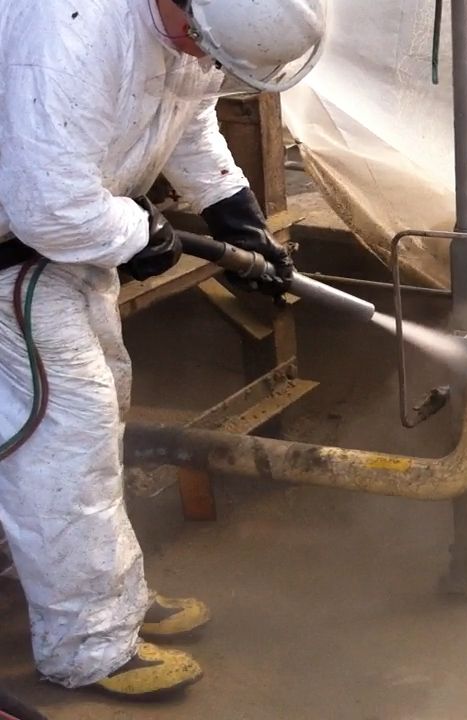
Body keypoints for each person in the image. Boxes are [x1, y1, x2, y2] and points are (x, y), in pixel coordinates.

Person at [0, 0, 327, 700]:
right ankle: (88, 645)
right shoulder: (71, 29)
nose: (207, 64)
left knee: (97, 413)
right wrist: (139, 236)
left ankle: (95, 591)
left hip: (59, 255)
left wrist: (231, 210)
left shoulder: (195, 30)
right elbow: (47, 204)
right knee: (69, 436)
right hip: (16, 257)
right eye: (205, 47)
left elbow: (185, 113)